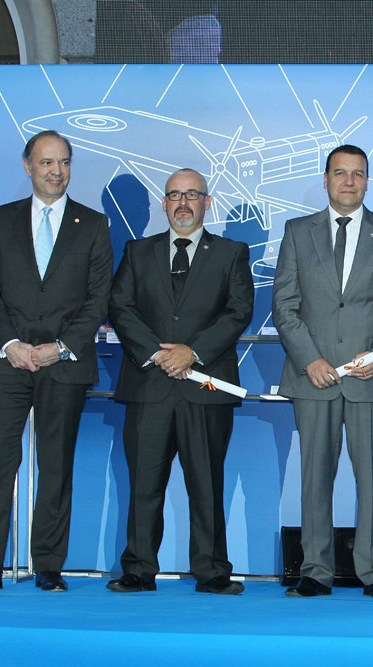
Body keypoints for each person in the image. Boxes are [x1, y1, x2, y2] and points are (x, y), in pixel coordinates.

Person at [0, 130, 113, 592]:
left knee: (56, 463)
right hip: (11, 361)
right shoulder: (1, 220)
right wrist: (10, 344)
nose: (56, 171)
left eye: (64, 162)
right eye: (47, 162)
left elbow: (98, 298)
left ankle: (49, 565)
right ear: (28, 166)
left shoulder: (94, 224)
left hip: (64, 363)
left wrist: (60, 346)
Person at [272, 144, 373, 600]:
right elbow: (284, 305)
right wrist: (308, 359)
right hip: (311, 378)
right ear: (326, 179)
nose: (349, 181)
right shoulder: (297, 231)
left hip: (369, 381)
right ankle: (315, 570)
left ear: (368, 181)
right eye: (340, 173)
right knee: (314, 478)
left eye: (357, 174)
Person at [107, 168, 253, 595]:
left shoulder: (231, 252)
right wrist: (157, 353)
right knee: (143, 485)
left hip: (205, 388)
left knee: (206, 484)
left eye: (192, 195)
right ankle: (137, 569)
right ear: (164, 203)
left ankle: (211, 572)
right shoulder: (138, 252)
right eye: (174, 195)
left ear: (208, 202)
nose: (183, 203)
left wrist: (191, 352)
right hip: (148, 386)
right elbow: (121, 307)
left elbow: (238, 311)